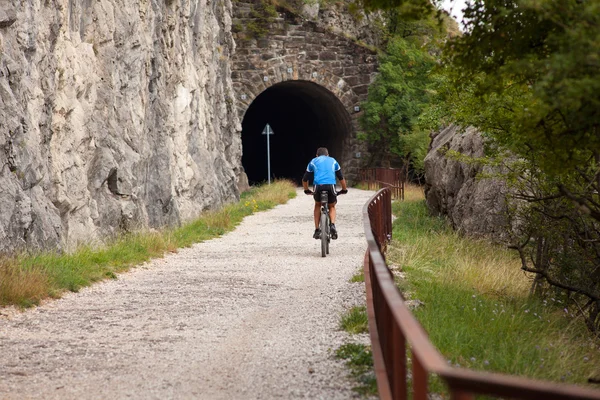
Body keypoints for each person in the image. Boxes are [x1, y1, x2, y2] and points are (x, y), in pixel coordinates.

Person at [302, 147, 348, 240]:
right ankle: (332, 225)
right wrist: (344, 189)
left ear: (317, 155)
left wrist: (306, 189)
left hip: (318, 186)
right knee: (332, 206)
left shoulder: (313, 161)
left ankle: (317, 230)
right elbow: (340, 177)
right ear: (328, 155)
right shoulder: (333, 161)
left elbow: (305, 179)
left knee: (317, 205)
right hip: (330, 186)